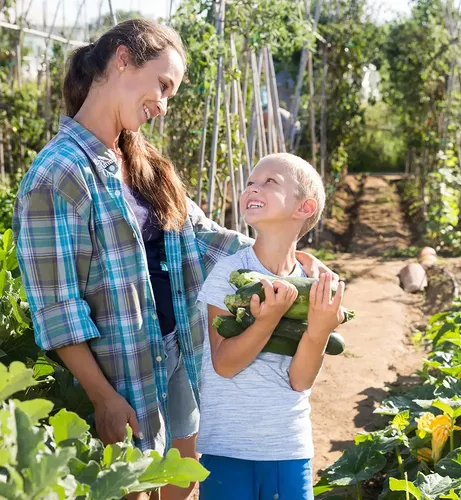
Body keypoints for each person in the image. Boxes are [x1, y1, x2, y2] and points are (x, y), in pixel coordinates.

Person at [12, 20, 333, 500]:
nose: (163, 104)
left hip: (178, 354)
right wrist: (103, 396)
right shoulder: (56, 175)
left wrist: (288, 256)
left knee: (181, 490)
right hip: (123, 375)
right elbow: (58, 307)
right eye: (163, 85)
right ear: (122, 59)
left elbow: (200, 237)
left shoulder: (143, 163)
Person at [196, 153, 346, 499]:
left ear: (304, 208)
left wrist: (320, 330)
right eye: (250, 182)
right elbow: (224, 363)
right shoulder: (229, 274)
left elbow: (300, 380)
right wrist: (268, 320)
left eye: (270, 182)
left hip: (287, 447)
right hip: (228, 448)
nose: (253, 188)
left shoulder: (315, 286)